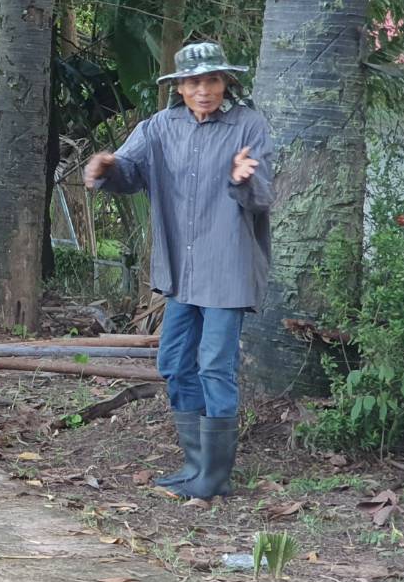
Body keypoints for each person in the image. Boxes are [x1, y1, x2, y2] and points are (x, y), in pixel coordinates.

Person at [85, 41, 273, 501]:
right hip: (180, 270)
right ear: (179, 88)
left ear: (225, 83)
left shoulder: (248, 125)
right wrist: (107, 167)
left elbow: (263, 195)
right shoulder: (159, 127)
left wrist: (242, 179)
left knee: (215, 365)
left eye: (211, 80)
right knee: (173, 362)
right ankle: (194, 464)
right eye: (193, 82)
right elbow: (129, 171)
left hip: (227, 266)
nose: (203, 90)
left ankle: (216, 475)